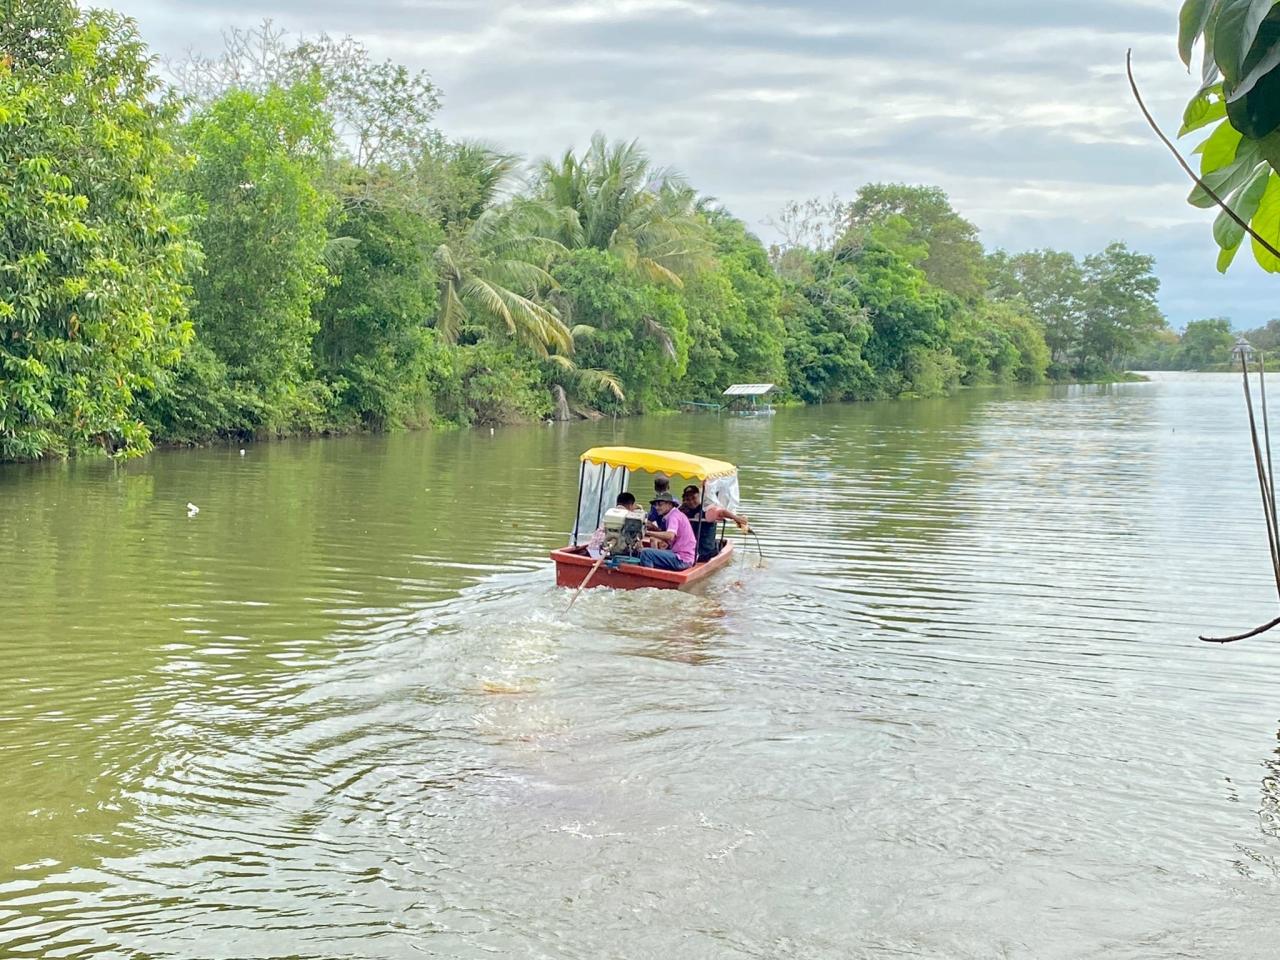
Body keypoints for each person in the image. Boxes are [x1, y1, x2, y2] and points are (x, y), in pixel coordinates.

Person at [680, 485, 749, 562]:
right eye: (688, 499)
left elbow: (721, 512)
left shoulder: (707, 509)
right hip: (688, 549)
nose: (691, 502)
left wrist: (736, 518)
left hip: (706, 551)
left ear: (699, 496)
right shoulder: (683, 510)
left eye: (693, 498)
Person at [638, 491, 695, 570]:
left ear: (670, 504)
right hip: (683, 556)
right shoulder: (674, 514)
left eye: (660, 505)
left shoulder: (673, 516)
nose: (657, 508)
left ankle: (650, 579)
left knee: (646, 553)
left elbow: (670, 536)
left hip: (681, 558)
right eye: (656, 505)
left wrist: (647, 532)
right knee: (644, 551)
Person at [586, 492, 639, 558]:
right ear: (630, 505)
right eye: (634, 506)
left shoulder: (610, 513)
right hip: (607, 554)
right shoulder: (630, 517)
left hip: (591, 550)